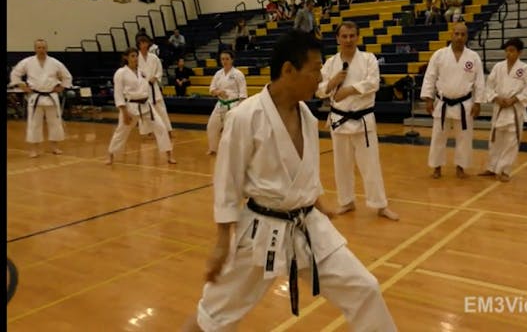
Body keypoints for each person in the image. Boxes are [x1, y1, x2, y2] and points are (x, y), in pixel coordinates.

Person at [181, 30, 397, 332]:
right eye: (314, 70)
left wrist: (319, 205)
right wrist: (221, 240)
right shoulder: (246, 117)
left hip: (307, 225)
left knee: (365, 288)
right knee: (213, 317)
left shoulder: (307, 117)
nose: (320, 78)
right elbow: (227, 181)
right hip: (260, 230)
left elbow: (304, 174)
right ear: (288, 70)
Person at [316, 21, 399, 221]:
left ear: (358, 37)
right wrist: (333, 82)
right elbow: (319, 90)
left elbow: (374, 83)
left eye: (352, 36)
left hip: (363, 119)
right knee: (341, 165)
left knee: (371, 165)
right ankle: (346, 201)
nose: (348, 40)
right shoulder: (330, 63)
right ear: (337, 39)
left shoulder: (368, 59)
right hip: (339, 120)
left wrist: (349, 89)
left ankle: (380, 205)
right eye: (344, 36)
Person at [419, 23, 485, 179]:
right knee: (438, 136)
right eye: (457, 34)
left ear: (466, 36)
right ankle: (436, 167)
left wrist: (478, 102)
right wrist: (428, 99)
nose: (459, 37)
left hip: (465, 104)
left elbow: (480, 81)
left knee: (464, 138)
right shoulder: (439, 55)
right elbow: (430, 77)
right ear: (451, 34)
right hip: (442, 103)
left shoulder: (473, 57)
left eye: (463, 34)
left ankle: (461, 167)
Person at [478, 38, 527, 182]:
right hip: (500, 108)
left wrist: (513, 100)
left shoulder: (526, 70)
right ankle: (491, 167)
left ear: (519, 52)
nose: (508, 53)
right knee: (495, 139)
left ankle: (504, 170)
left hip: (515, 110)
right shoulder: (498, 67)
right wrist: (496, 98)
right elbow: (489, 85)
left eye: (512, 51)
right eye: (507, 50)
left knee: (511, 141)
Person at [105, 48, 176, 165]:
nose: (135, 58)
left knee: (161, 127)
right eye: (132, 56)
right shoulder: (121, 73)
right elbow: (118, 93)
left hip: (146, 105)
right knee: (121, 131)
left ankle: (169, 155)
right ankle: (111, 155)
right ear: (126, 58)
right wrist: (124, 112)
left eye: (136, 56)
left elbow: (146, 89)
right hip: (130, 107)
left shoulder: (142, 72)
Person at [9, 39, 72, 158]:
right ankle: (34, 149)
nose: (41, 50)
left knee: (55, 123)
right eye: (39, 48)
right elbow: (15, 73)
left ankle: (55, 147)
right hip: (35, 96)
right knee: (34, 123)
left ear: (46, 48)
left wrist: (62, 87)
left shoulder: (54, 62)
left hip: (51, 96)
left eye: (43, 47)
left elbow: (67, 76)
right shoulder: (27, 62)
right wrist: (22, 85)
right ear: (35, 49)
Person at [206, 50, 247, 155]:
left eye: (227, 59)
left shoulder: (238, 74)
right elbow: (211, 89)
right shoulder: (218, 74)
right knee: (211, 126)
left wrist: (241, 110)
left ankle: (234, 152)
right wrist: (218, 92)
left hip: (234, 105)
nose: (225, 61)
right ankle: (213, 148)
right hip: (220, 104)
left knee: (231, 131)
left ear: (232, 60)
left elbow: (243, 94)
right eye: (222, 59)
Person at [136, 34, 174, 138]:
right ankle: (148, 132)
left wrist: (156, 77)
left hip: (153, 87)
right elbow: (133, 72)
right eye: (141, 43)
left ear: (148, 44)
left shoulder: (154, 58)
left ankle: (168, 130)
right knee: (144, 110)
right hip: (142, 88)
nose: (144, 45)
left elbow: (159, 70)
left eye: (145, 42)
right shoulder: (136, 58)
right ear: (138, 45)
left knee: (161, 109)